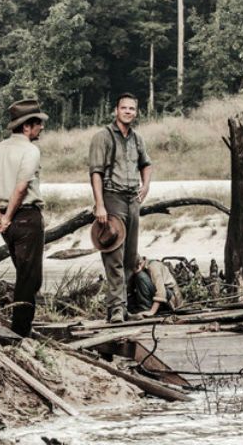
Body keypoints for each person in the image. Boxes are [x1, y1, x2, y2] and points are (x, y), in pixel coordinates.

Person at [0, 99, 47, 337]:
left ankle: (20, 326)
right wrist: (8, 216)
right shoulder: (30, 151)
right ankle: (20, 332)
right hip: (25, 217)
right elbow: (21, 188)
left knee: (24, 274)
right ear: (26, 127)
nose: (41, 128)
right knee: (30, 278)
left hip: (7, 220)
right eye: (38, 124)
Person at [89, 93, 153, 323]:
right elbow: (95, 172)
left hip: (132, 199)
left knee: (129, 257)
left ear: (136, 112)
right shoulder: (102, 137)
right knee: (113, 255)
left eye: (132, 109)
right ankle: (116, 310)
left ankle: (122, 307)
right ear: (116, 110)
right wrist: (99, 204)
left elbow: (146, 164)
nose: (128, 112)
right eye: (124, 108)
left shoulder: (137, 139)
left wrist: (145, 186)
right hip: (112, 197)